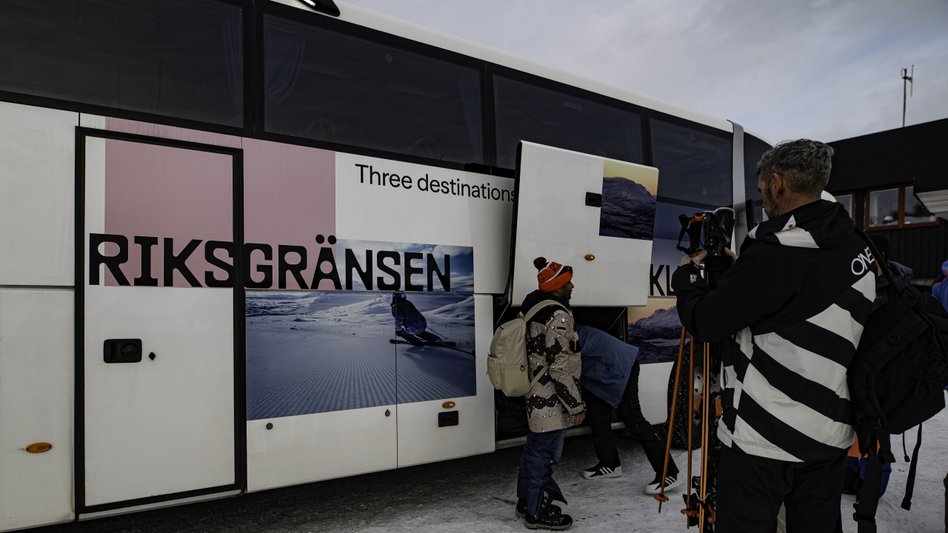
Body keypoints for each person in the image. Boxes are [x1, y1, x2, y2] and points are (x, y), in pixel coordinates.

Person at [670, 139, 877, 532]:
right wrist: (741, 276)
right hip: (829, 434)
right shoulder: (854, 242)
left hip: (762, 441)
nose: (762, 199)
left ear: (777, 184)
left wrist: (687, 280)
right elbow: (789, 295)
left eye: (762, 189)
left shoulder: (776, 252)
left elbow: (707, 321)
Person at [515, 257, 585, 530]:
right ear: (557, 287)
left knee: (533, 450)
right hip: (550, 398)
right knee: (542, 454)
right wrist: (575, 406)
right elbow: (559, 368)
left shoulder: (533, 306)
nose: (572, 286)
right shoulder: (558, 316)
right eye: (567, 282)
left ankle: (526, 502)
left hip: (534, 390)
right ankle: (537, 512)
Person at [576, 324, 682, 495]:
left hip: (621, 365)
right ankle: (610, 464)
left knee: (633, 418)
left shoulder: (561, 332)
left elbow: (565, 371)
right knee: (597, 416)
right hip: (601, 368)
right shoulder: (554, 329)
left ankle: (669, 473)